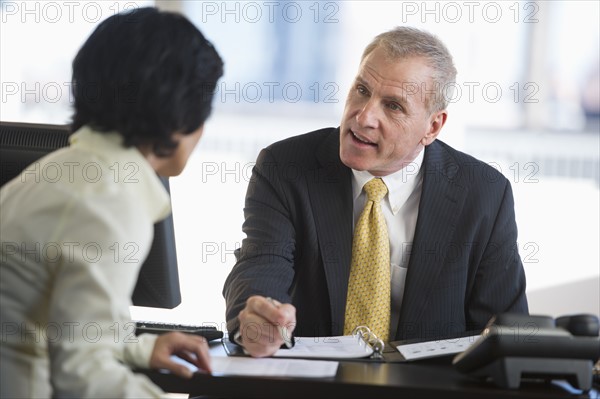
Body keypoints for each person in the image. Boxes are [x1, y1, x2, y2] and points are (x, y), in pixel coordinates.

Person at [223, 27, 528, 358]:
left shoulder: (484, 194)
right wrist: (256, 320)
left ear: (432, 127)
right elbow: (260, 267)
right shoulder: (286, 167)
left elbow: (506, 333)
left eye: (393, 106)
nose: (364, 116)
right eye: (362, 90)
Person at [0, 7, 223, 398]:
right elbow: (83, 376)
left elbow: (63, 325)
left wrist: (139, 347)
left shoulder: (62, 169)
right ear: (180, 115)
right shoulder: (110, 202)